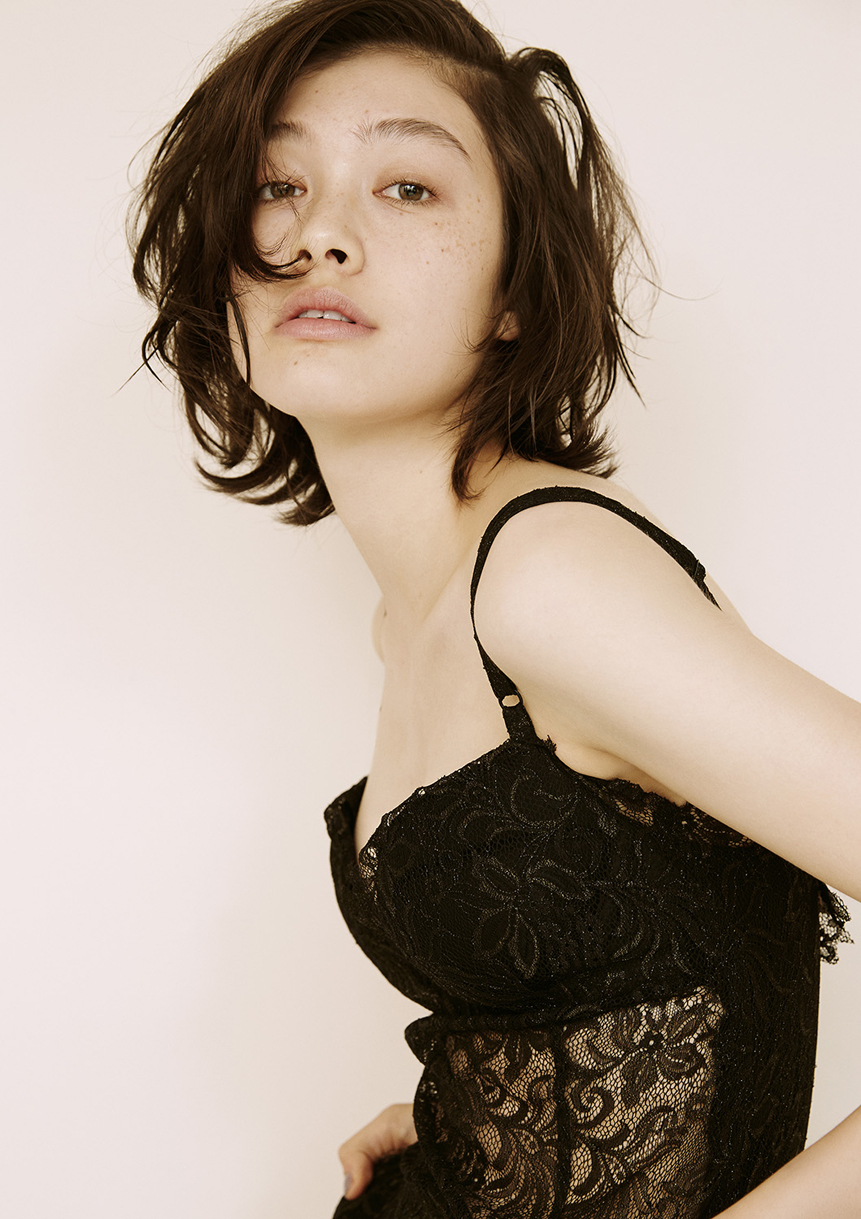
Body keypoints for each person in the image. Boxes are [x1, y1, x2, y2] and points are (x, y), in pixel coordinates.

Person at [129, 0, 861, 1214]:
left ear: (515, 293)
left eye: (407, 187)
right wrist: (487, 1109)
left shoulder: (547, 578)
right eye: (277, 186)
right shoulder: (418, 609)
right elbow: (635, 959)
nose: (320, 235)